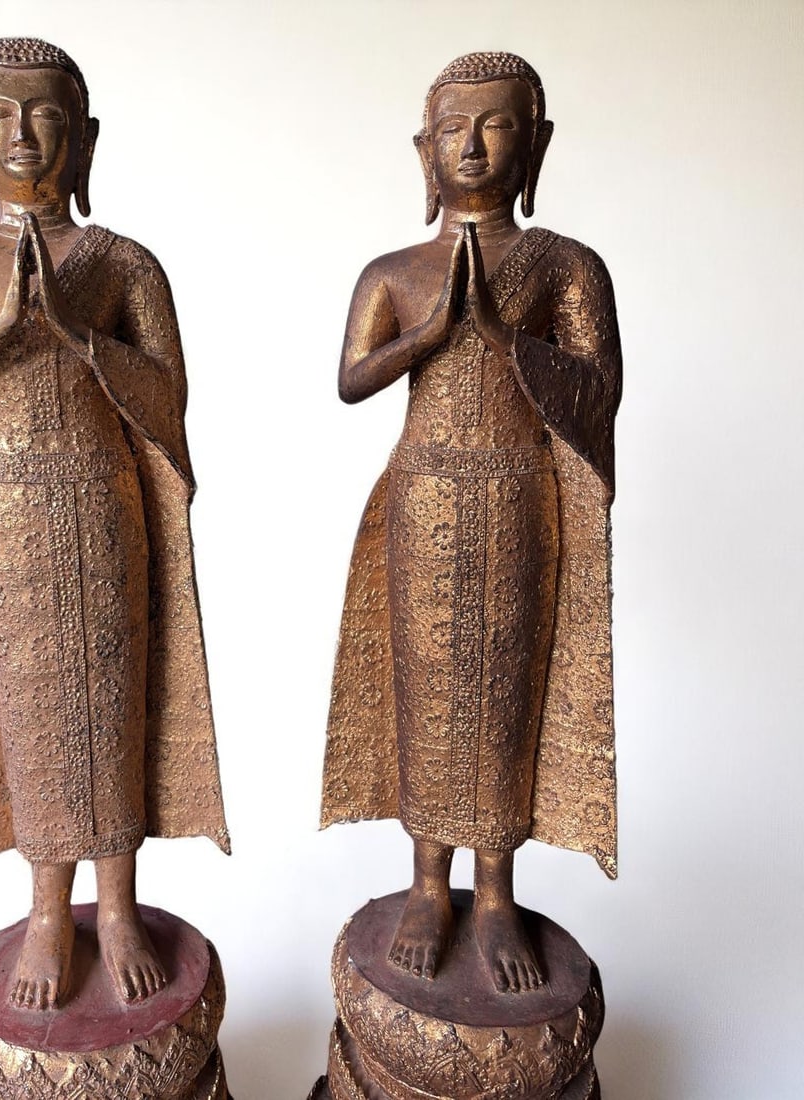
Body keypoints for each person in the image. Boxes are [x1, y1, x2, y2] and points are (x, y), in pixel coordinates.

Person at [0, 38, 228, 1011]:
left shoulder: (119, 262)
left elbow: (169, 390)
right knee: (34, 705)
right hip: (5, 506)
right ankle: (49, 907)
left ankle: (119, 902)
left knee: (114, 695)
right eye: (0, 114)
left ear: (82, 138)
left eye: (45, 115)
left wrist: (85, 340)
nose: (23, 132)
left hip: (103, 494)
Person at [321, 52, 621, 993]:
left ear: (535, 144)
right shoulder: (396, 270)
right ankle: (425, 882)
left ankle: (494, 892)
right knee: (423, 682)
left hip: (521, 498)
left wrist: (505, 338)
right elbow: (350, 379)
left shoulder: (564, 266)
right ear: (425, 149)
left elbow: (600, 389)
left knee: (503, 688)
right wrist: (432, 330)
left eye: (496, 126)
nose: (475, 145)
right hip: (423, 498)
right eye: (455, 128)